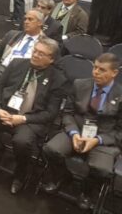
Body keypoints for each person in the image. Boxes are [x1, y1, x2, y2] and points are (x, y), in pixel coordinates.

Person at [0, 38, 69, 195]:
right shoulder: (17, 63)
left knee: (22, 142)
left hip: (29, 120)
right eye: (35, 50)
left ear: (52, 59)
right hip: (5, 111)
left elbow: (51, 113)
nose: (35, 55)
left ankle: (21, 172)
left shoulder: (58, 79)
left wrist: (23, 119)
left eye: (41, 54)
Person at [41, 53, 122, 210]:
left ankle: (87, 191)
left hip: (103, 139)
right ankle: (62, 176)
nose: (96, 72)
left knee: (101, 169)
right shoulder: (80, 85)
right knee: (50, 149)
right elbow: (67, 113)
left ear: (114, 73)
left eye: (102, 70)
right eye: (95, 67)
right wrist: (74, 133)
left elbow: (120, 131)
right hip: (77, 130)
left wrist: (97, 140)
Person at [0, 9, 45, 96]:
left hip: (24, 74)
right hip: (3, 69)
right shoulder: (12, 35)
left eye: (30, 19)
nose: (26, 22)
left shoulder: (45, 43)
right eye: (25, 19)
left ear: (40, 23)